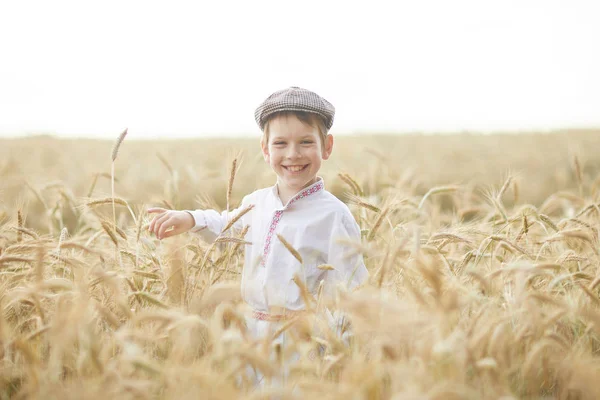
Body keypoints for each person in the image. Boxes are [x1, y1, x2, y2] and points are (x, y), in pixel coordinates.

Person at [147, 86, 369, 387]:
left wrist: (340, 353)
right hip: (248, 337)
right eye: (281, 143)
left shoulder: (333, 215)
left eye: (306, 142)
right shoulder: (257, 202)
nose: (293, 154)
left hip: (297, 343)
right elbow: (227, 225)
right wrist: (190, 218)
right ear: (265, 149)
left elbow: (349, 289)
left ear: (326, 146)